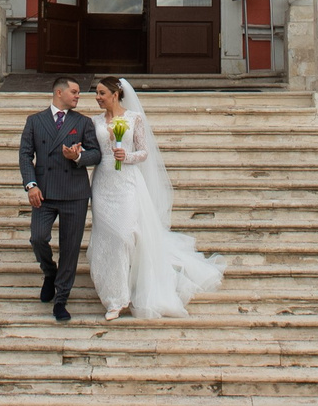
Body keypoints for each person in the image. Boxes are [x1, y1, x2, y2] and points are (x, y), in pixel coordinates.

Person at [85, 76, 226, 319]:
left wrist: (126, 156)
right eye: (96, 94)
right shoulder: (93, 121)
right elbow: (91, 150)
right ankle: (115, 298)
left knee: (125, 235)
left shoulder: (134, 118)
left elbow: (144, 152)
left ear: (115, 94)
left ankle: (133, 283)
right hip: (102, 183)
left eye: (101, 93)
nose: (97, 98)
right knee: (106, 237)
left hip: (127, 182)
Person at [17, 77, 101, 322]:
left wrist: (77, 157)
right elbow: (25, 155)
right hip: (43, 191)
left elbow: (96, 154)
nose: (78, 96)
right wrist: (30, 185)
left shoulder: (83, 122)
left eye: (77, 93)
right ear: (58, 92)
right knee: (38, 237)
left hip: (74, 192)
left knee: (70, 247)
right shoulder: (35, 121)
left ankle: (62, 297)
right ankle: (49, 273)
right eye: (74, 92)